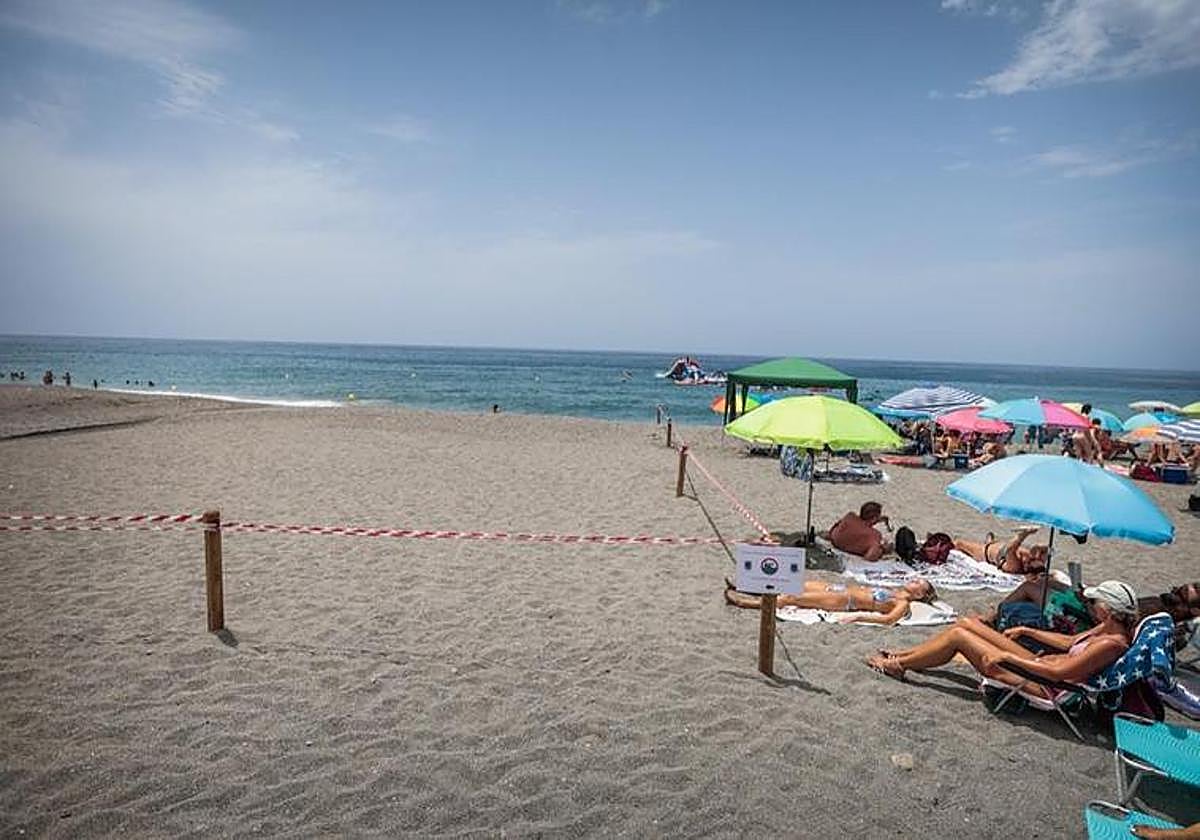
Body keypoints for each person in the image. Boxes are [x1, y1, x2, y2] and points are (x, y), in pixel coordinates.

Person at [866, 579, 1138, 689]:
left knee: (959, 638)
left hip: (1045, 685)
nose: (1091, 606)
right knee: (967, 624)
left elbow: (1060, 674)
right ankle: (904, 655)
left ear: (1109, 609)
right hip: (1040, 664)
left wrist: (1009, 656)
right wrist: (1028, 629)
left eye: (1095, 603)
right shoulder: (1108, 627)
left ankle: (898, 665)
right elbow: (1069, 642)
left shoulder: (1112, 644)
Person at [724, 577, 937, 625]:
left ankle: (744, 603)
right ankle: (746, 587)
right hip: (839, 589)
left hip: (844, 600)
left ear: (919, 594)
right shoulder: (896, 590)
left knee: (791, 598)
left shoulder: (903, 604)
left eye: (919, 582)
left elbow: (889, 620)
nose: (914, 579)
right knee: (795, 584)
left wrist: (859, 615)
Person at [954, 525, 1048, 575]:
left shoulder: (1015, 567)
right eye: (1033, 559)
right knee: (990, 543)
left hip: (986, 552)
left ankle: (988, 542)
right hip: (998, 546)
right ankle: (989, 541)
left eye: (1029, 562)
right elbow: (1046, 549)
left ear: (1026, 568)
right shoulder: (1035, 563)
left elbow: (1010, 550)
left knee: (959, 544)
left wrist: (1023, 535)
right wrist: (1040, 548)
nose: (1031, 558)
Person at [826, 501, 892, 561]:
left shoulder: (849, 517)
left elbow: (832, 531)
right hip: (849, 549)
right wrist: (883, 549)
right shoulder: (874, 535)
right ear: (874, 518)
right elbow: (870, 557)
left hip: (836, 542)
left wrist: (875, 521)